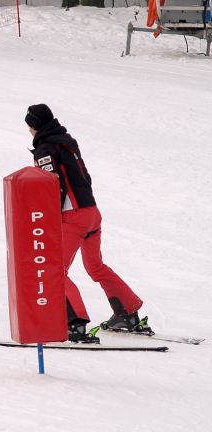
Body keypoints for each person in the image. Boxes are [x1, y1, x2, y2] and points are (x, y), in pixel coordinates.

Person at [25, 104, 151, 343]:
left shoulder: (45, 148)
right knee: (95, 267)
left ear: (34, 126)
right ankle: (127, 314)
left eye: (29, 127)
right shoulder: (67, 141)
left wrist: (49, 215)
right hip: (91, 211)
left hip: (73, 217)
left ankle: (74, 325)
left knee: (55, 270)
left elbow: (54, 185)